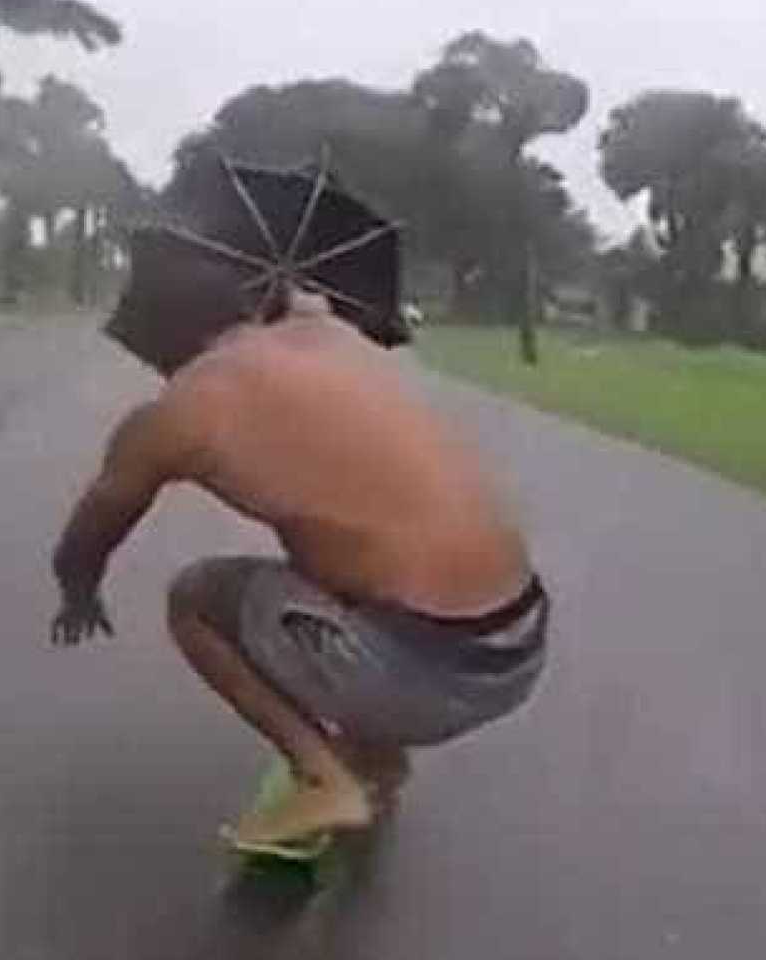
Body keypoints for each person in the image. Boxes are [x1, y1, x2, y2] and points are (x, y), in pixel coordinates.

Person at [51, 264, 550, 854]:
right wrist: (291, 294)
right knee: (331, 563)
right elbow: (306, 304)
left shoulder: (177, 413)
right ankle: (379, 759)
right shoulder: (330, 335)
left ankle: (325, 779)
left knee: (196, 599)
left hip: (421, 673)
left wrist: (77, 592)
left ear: (160, 344)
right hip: (522, 647)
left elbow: (88, 537)